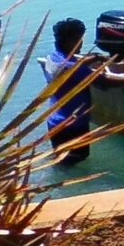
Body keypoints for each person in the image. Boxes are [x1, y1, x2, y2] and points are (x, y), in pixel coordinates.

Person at [42, 18, 98, 168]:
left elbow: (71, 67)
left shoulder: (53, 58)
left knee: (61, 161)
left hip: (55, 120)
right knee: (76, 162)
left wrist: (93, 59)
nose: (81, 43)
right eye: (79, 39)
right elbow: (104, 82)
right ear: (70, 41)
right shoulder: (73, 68)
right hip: (72, 124)